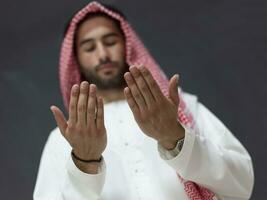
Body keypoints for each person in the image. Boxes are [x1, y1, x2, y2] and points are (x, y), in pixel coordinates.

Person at [33, 1, 254, 200]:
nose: (102, 55)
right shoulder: (65, 140)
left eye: (110, 42)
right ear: (76, 61)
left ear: (127, 45)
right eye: (89, 48)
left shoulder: (177, 108)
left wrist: (175, 137)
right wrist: (84, 162)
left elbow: (241, 184)